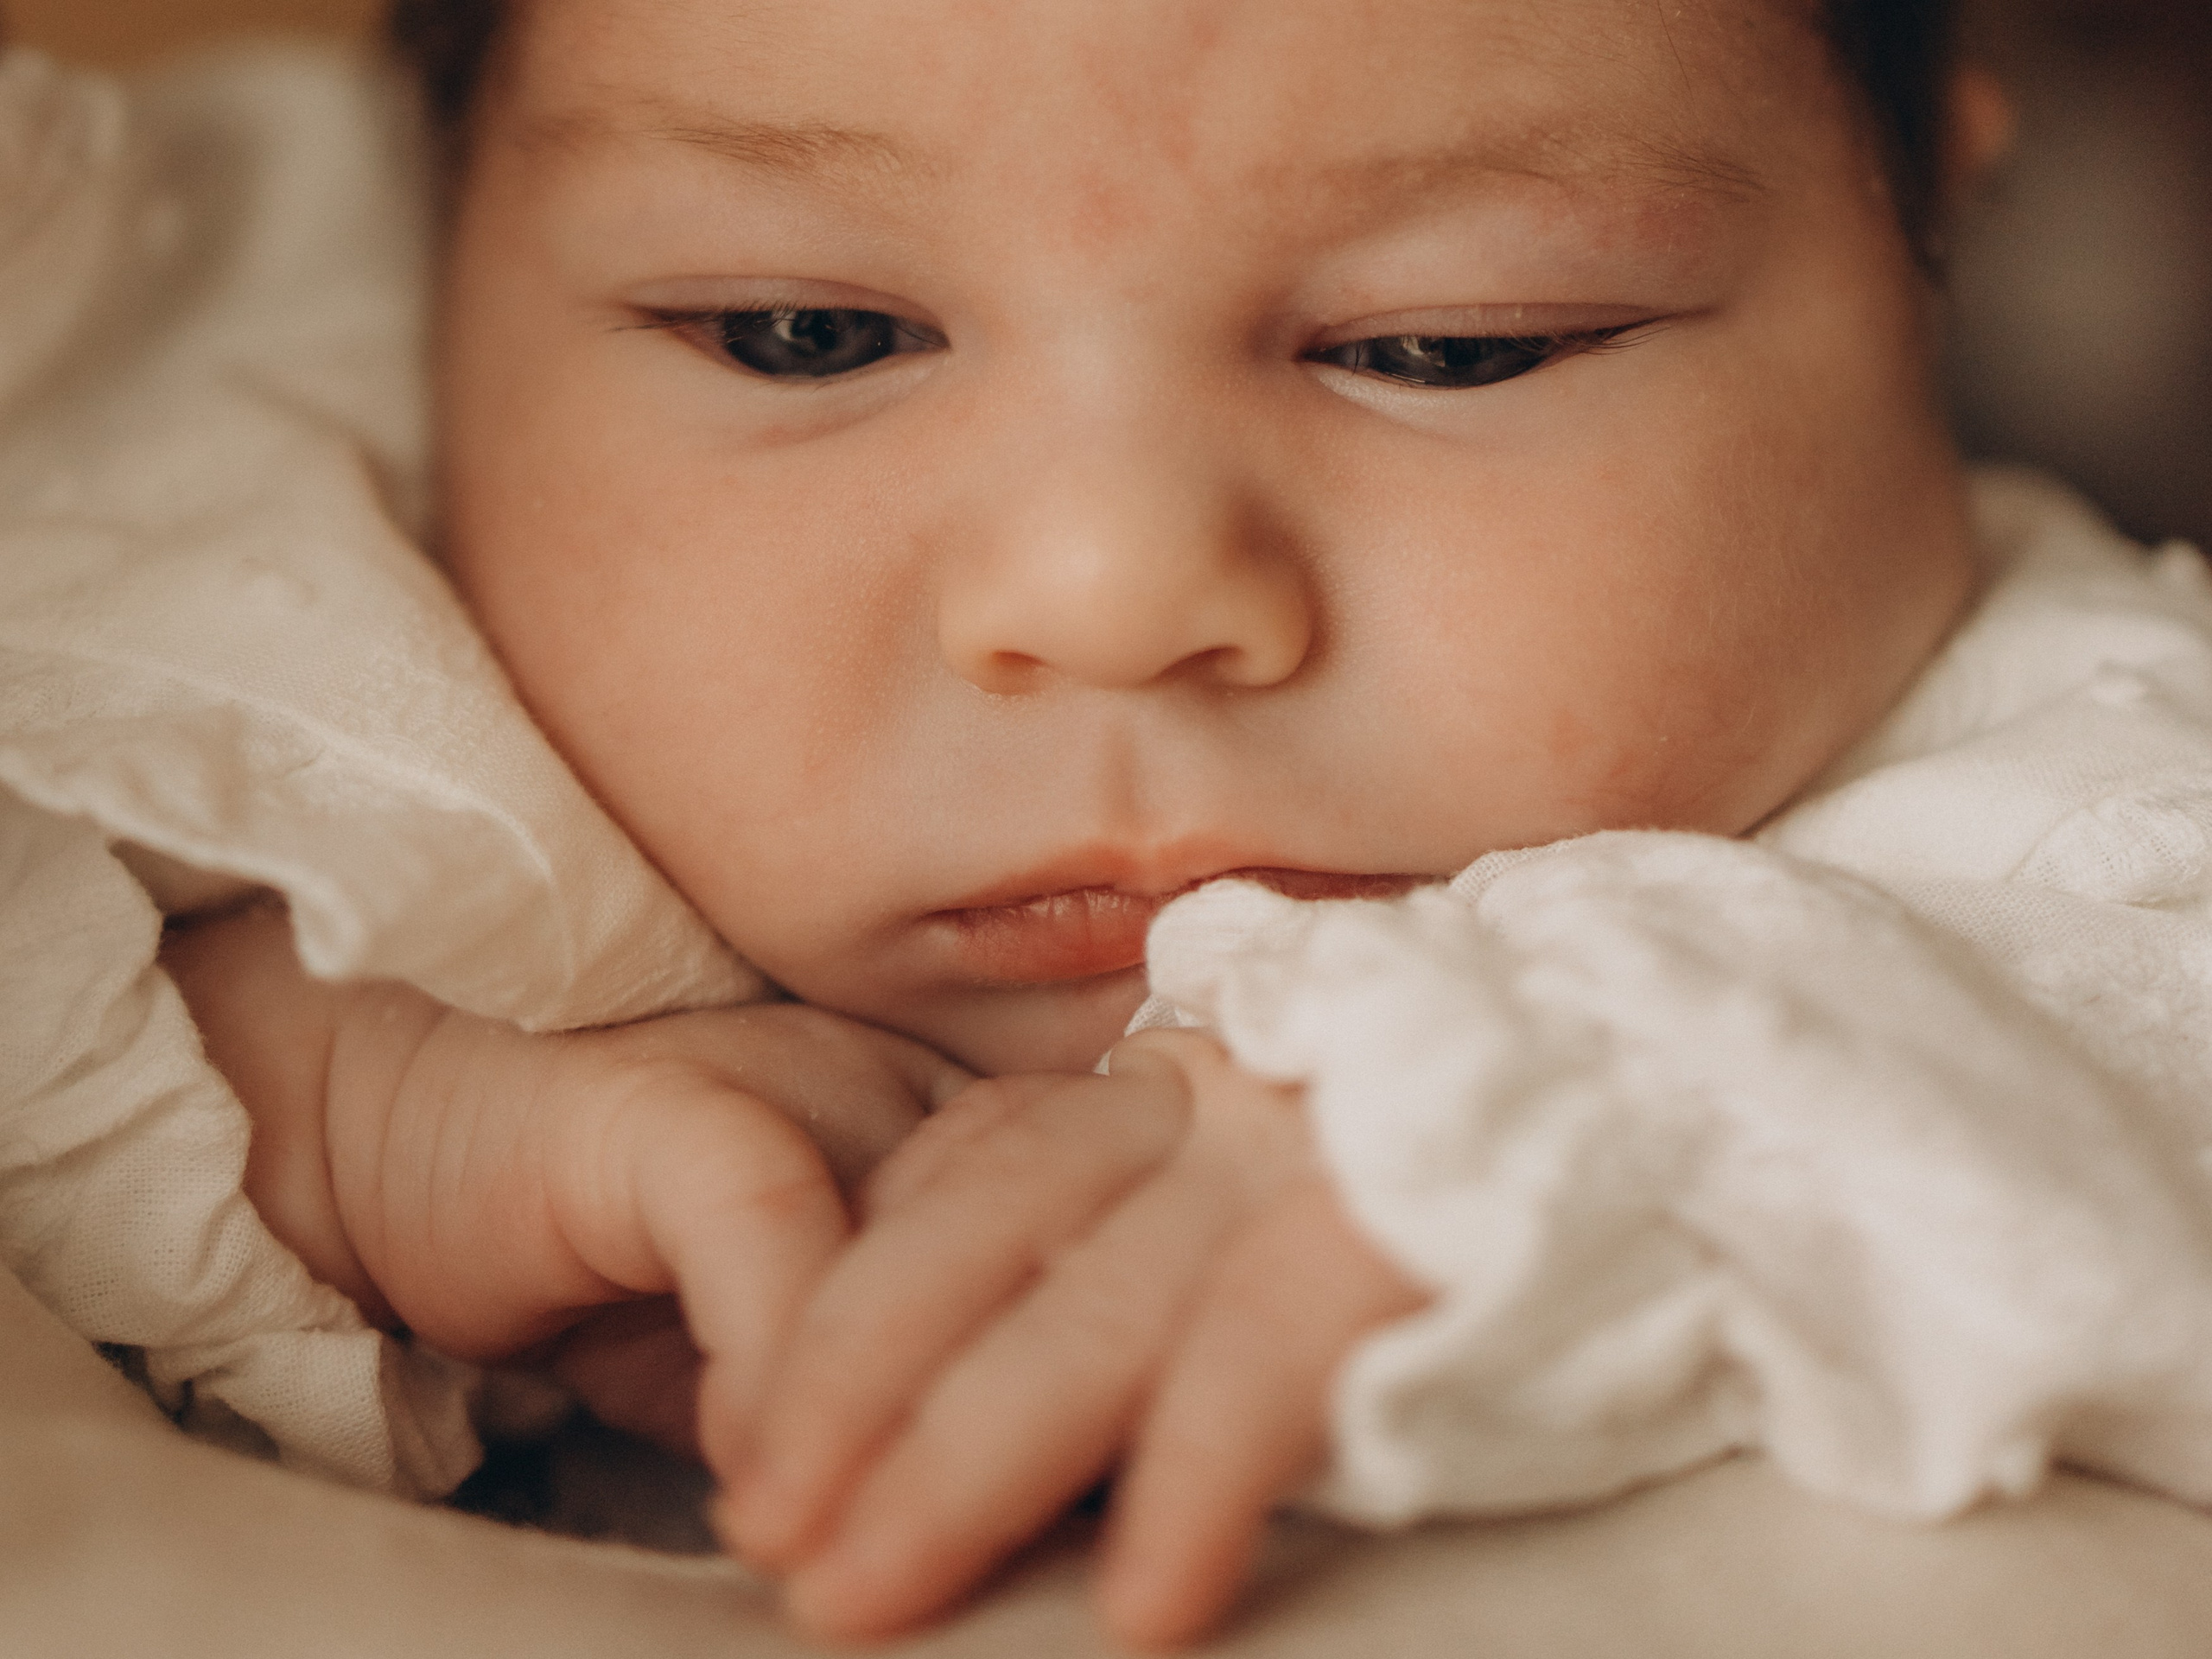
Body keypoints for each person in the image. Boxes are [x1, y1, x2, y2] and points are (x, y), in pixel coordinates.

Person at [11, 0, 2212, 1650]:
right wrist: (326, 1097)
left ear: (1928, 220)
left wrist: (1561, 1108)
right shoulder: (338, 685)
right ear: (431, 291)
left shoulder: (2073, 779)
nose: (1108, 591)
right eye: (803, 331)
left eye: (1453, 347)